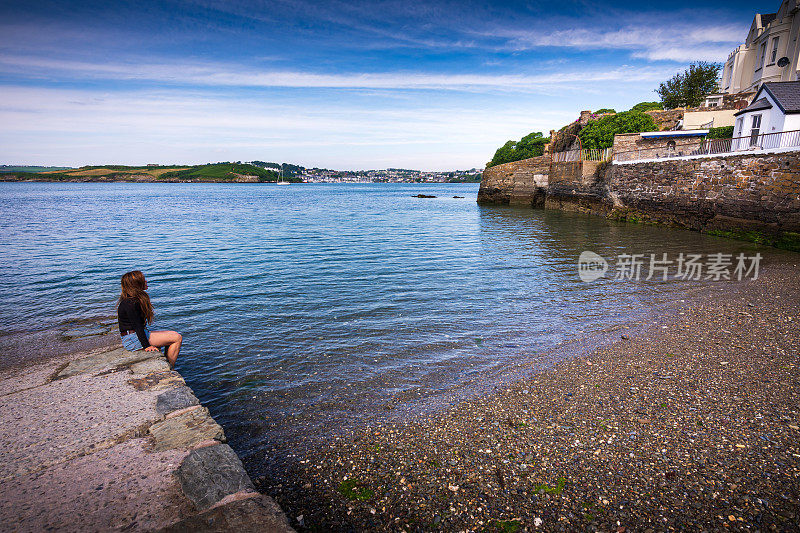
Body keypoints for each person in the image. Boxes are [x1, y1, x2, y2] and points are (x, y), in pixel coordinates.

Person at [117, 270, 182, 369]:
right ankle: (170, 368)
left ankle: (167, 362)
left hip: (131, 336)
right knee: (177, 338)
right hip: (133, 340)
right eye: (143, 280)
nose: (146, 281)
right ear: (137, 284)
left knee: (171, 334)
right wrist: (146, 346)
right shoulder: (131, 304)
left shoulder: (131, 300)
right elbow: (137, 325)